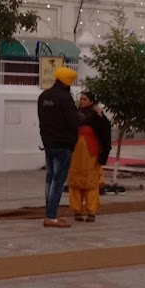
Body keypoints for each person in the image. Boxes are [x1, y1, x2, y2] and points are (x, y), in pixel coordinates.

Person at [37, 65, 81, 228]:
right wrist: (82, 116)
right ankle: (51, 216)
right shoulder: (65, 98)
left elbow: (42, 119)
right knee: (58, 180)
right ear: (68, 83)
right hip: (63, 143)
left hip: (48, 142)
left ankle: (50, 213)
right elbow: (73, 120)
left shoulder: (44, 96)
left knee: (50, 177)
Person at [68, 91, 112, 222]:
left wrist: (102, 116)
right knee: (75, 182)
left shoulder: (97, 115)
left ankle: (91, 211)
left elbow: (105, 132)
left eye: (85, 99)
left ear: (92, 101)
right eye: (81, 99)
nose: (82, 101)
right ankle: (77, 210)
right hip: (75, 154)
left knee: (90, 183)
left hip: (91, 154)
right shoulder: (75, 114)